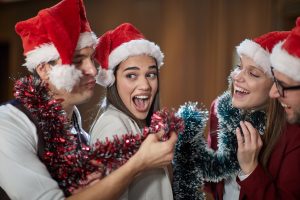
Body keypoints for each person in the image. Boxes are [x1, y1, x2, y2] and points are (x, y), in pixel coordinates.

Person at [0, 1, 177, 200]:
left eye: (91, 58)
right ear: (43, 69)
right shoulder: (8, 122)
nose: (93, 70)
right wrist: (138, 164)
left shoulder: (80, 137)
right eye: (76, 60)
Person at [173, 30, 300, 200]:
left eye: (253, 73)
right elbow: (217, 182)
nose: (237, 77)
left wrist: (250, 169)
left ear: (275, 84)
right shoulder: (220, 109)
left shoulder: (293, 133)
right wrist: (189, 150)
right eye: (239, 67)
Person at [90, 23, 173, 200]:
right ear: (112, 80)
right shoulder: (113, 126)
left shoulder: (142, 124)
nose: (145, 85)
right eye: (131, 75)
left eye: (150, 74)